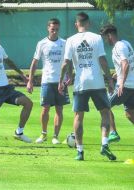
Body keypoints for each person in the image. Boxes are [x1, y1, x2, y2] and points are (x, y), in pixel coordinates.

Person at [58, 12, 116, 161]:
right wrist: (109, 79)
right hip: (96, 82)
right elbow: (102, 60)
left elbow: (66, 63)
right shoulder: (96, 38)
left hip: (80, 83)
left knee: (79, 116)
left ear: (76, 24)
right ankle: (104, 144)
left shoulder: (70, 40)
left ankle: (80, 151)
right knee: (105, 112)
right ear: (88, 23)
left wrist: (62, 80)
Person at [27, 18, 70, 144]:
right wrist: (30, 80)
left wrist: (70, 75)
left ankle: (55, 136)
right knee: (45, 108)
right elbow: (34, 62)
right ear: (48, 28)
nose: (55, 32)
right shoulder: (41, 43)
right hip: (46, 80)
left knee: (59, 109)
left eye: (57, 29)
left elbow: (69, 60)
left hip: (60, 82)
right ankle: (44, 134)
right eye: (52, 29)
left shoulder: (64, 43)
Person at [100, 24, 134, 143]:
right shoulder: (126, 43)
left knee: (104, 105)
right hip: (132, 85)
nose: (105, 40)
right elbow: (128, 63)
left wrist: (121, 83)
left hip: (125, 86)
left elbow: (125, 64)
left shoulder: (118, 46)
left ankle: (113, 132)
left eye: (105, 37)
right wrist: (117, 74)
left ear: (109, 35)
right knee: (130, 113)